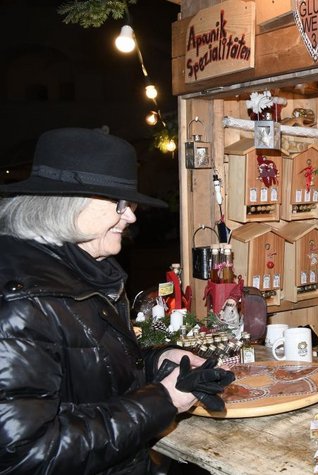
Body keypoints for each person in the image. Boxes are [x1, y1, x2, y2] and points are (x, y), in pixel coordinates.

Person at [0, 128, 233, 474]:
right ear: (69, 205)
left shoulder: (86, 275)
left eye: (132, 203)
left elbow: (90, 378)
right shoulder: (21, 303)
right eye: (119, 204)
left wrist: (159, 361)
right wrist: (163, 400)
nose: (132, 216)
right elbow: (26, 453)